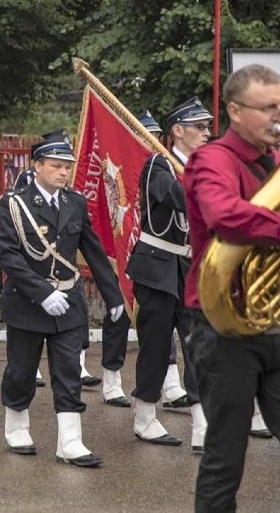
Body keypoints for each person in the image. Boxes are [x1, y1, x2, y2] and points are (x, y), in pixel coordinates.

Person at [183, 64, 280, 511]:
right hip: (225, 332)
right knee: (225, 457)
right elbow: (223, 215)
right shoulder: (212, 159)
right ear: (235, 110)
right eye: (269, 108)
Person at [0, 130, 124, 467]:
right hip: (28, 302)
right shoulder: (14, 204)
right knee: (22, 370)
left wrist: (114, 295)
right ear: (37, 166)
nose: (64, 172)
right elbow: (9, 257)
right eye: (56, 166)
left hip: (68, 302)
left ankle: (70, 441)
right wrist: (41, 292)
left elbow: (93, 252)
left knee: (68, 370)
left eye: (67, 166)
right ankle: (17, 425)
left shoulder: (74, 203)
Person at [125, 103, 209, 447]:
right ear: (177, 130)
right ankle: (145, 415)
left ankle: (202, 425)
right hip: (157, 266)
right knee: (157, 347)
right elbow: (176, 198)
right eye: (199, 127)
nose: (206, 133)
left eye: (207, 127)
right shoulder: (158, 165)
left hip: (191, 269)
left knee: (199, 347)